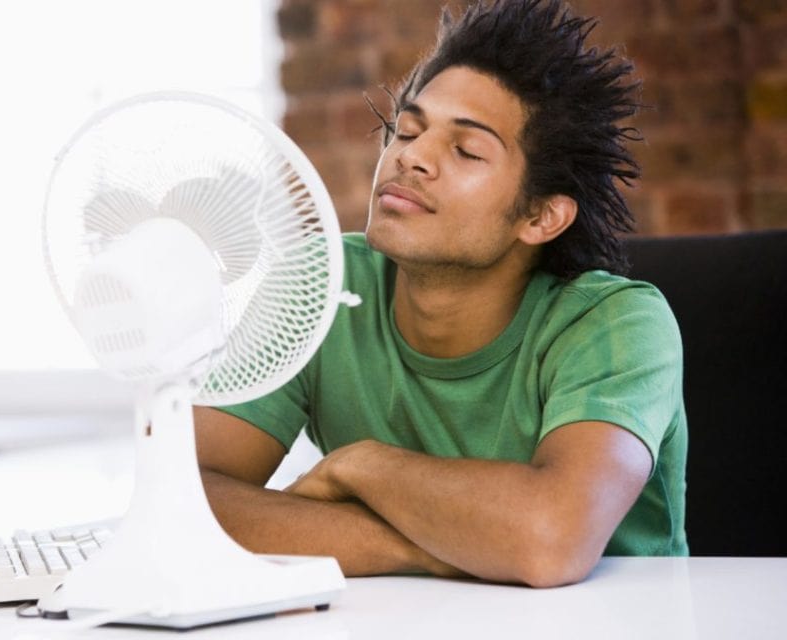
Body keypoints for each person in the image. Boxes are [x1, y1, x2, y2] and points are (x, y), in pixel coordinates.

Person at [195, 0, 687, 588]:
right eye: (406, 129)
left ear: (540, 216)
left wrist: (360, 466)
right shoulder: (320, 284)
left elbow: (552, 540)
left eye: (466, 150)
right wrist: (423, 548)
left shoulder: (617, 324)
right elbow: (184, 502)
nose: (411, 157)